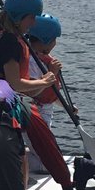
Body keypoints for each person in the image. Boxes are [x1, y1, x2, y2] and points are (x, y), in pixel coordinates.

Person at [0, 0, 86, 190]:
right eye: (32, 17)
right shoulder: (10, 42)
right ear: (19, 17)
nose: (34, 22)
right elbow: (15, 84)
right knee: (45, 143)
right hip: (7, 103)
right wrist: (46, 81)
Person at [24, 13, 63, 175]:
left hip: (45, 111)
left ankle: (23, 153)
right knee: (48, 164)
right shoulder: (29, 60)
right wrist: (51, 74)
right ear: (46, 39)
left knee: (50, 155)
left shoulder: (45, 59)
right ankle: (17, 158)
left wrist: (67, 106)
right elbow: (33, 92)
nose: (55, 42)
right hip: (34, 114)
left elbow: (52, 94)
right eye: (54, 39)